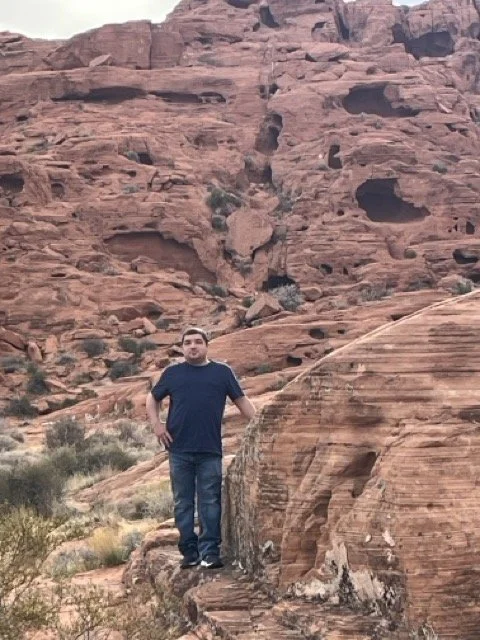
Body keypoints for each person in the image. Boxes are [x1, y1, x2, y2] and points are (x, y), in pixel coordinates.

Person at [146, 327, 256, 569]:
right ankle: (189, 552)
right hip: (178, 450)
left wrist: (260, 425)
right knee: (183, 502)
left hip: (210, 450)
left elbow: (242, 401)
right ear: (182, 347)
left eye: (198, 342)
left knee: (209, 501)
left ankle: (210, 553)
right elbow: (152, 398)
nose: (193, 346)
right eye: (187, 343)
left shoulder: (221, 372)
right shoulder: (173, 373)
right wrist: (156, 424)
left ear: (207, 345)